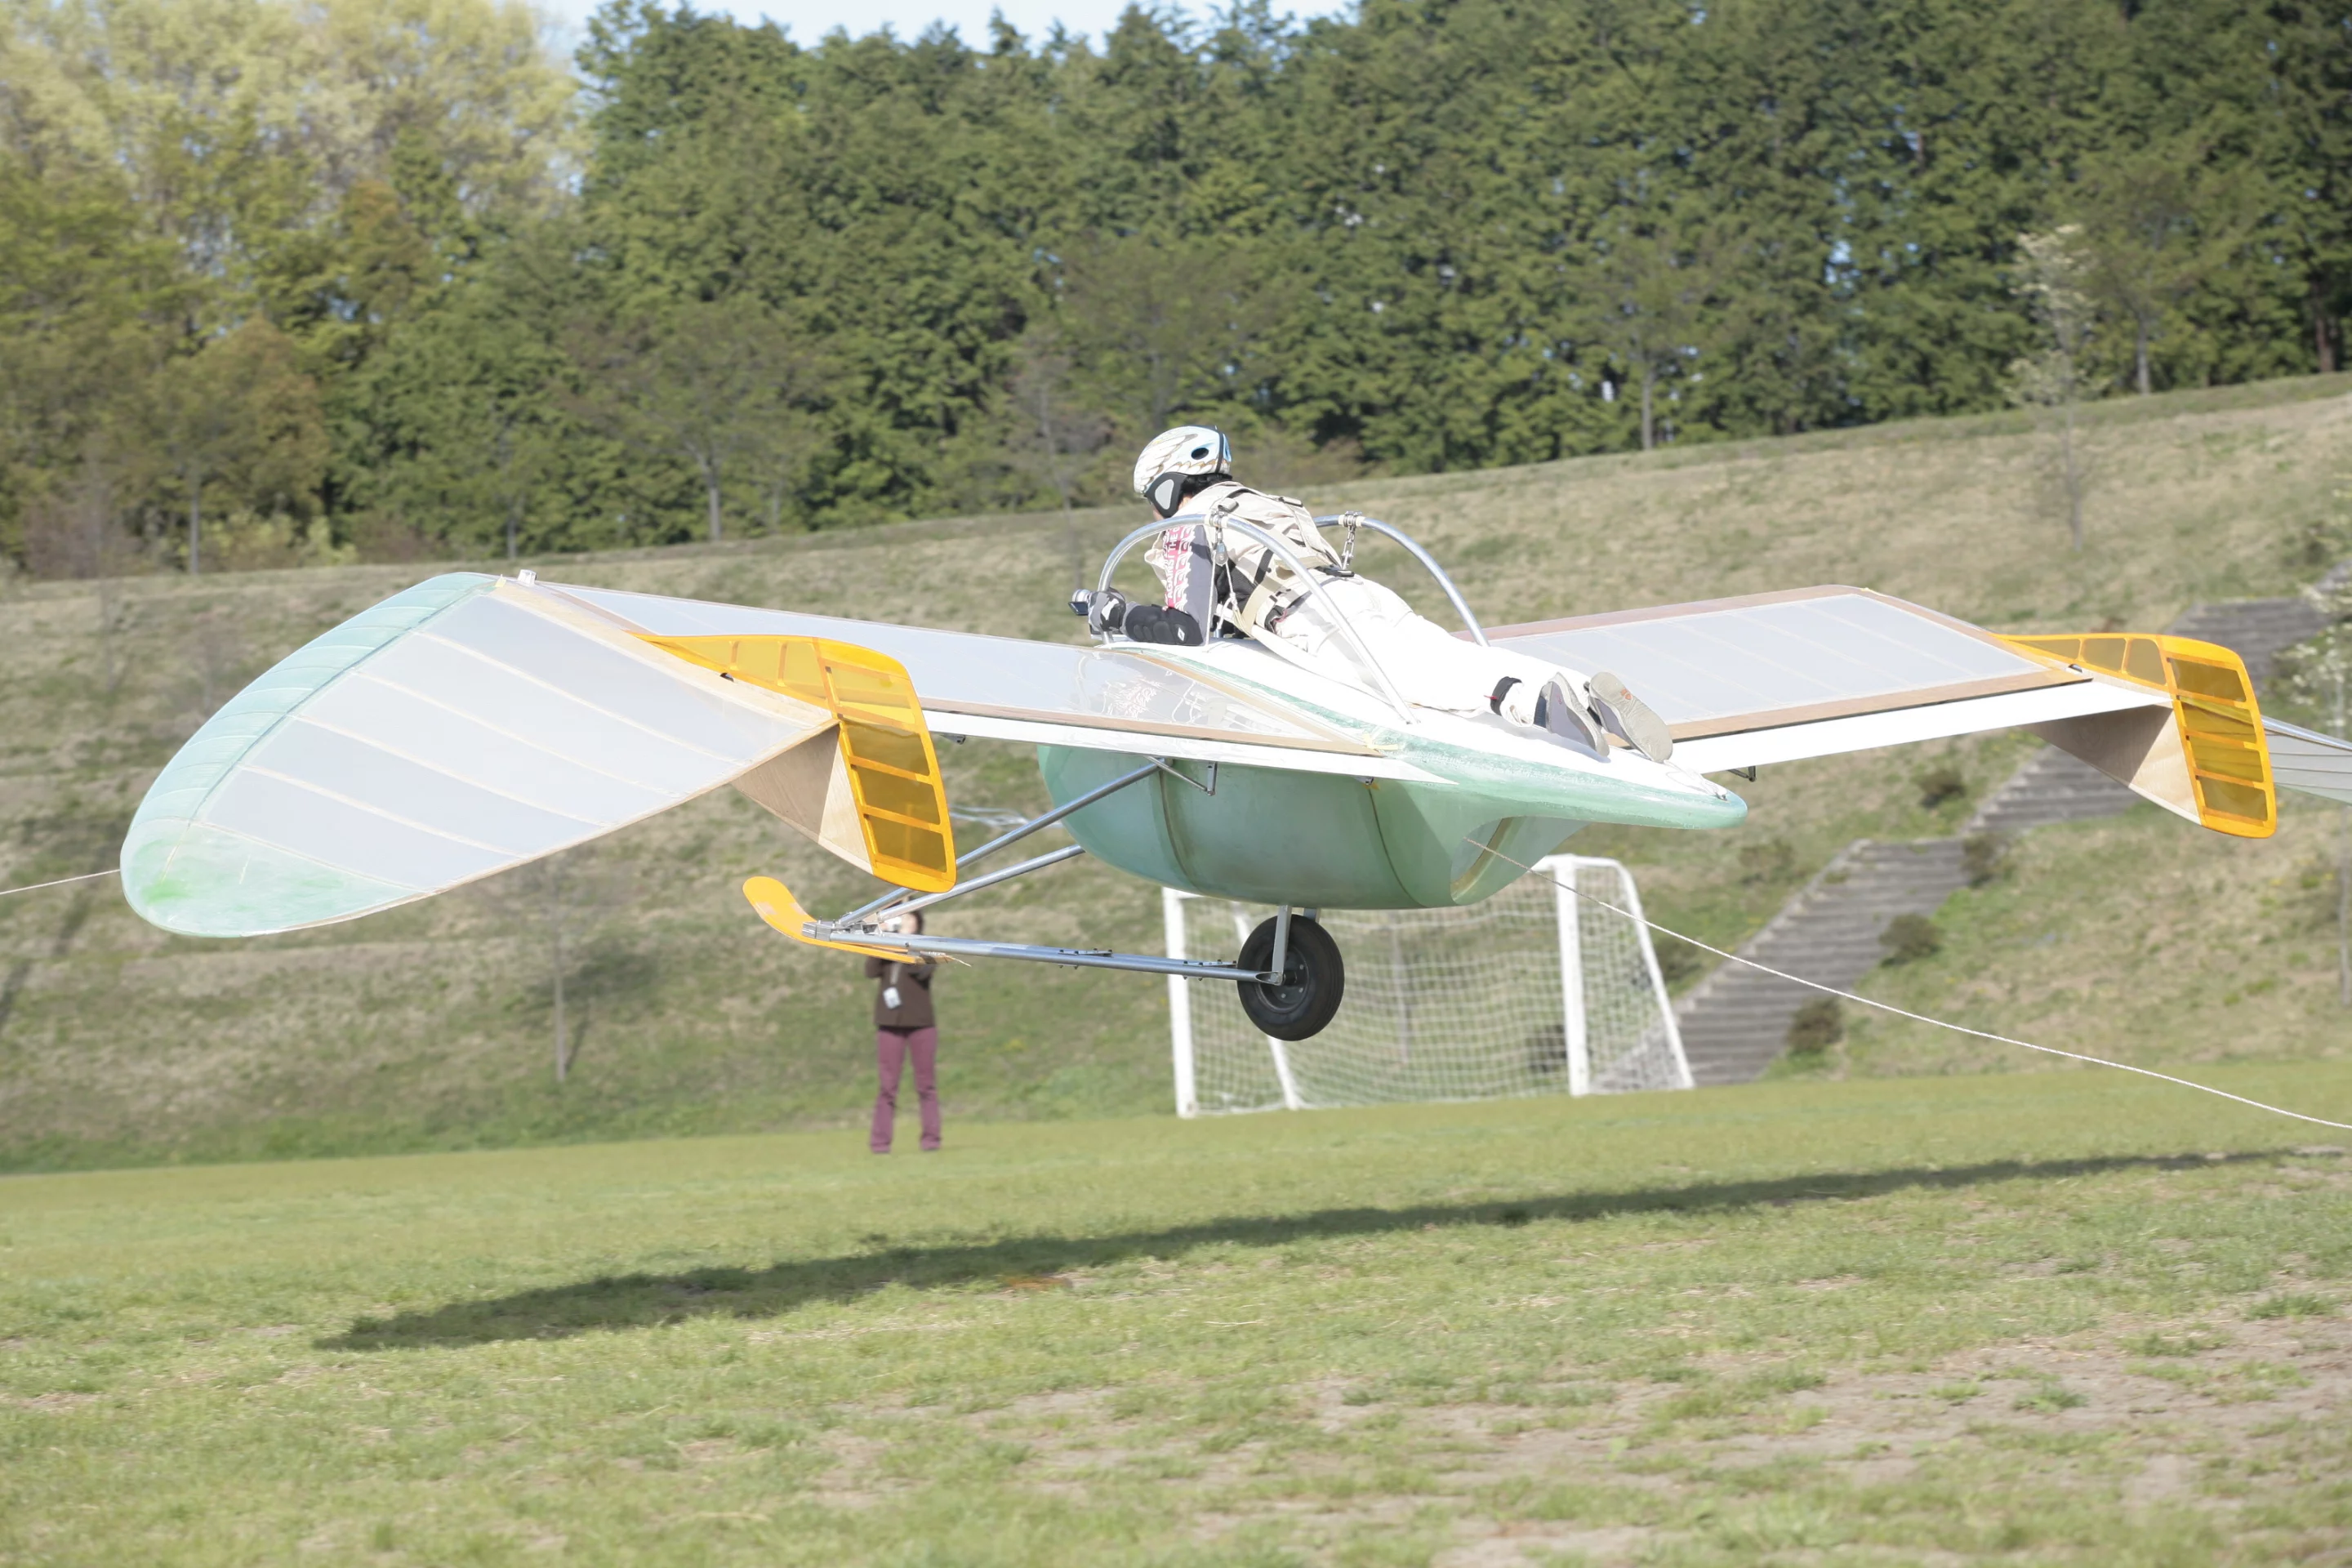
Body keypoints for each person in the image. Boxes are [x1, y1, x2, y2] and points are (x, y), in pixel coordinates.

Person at [1082, 425, 1674, 762]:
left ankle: (1532, 703)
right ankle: (1579, 691)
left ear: (1169, 486)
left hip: (1310, 620)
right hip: (1360, 594)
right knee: (1447, 653)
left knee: (1420, 685)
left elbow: (1188, 627)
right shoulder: (1258, 503)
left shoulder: (1192, 525)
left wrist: (1117, 613)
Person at [865, 909, 941, 1153]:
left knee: (926, 1085)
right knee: (887, 1087)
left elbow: (921, 972)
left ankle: (931, 1140)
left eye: (909, 919)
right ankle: (880, 1143)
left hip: (921, 1024)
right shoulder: (886, 947)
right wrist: (882, 939)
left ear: (918, 923)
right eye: (901, 919)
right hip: (889, 1023)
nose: (903, 923)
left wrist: (907, 943)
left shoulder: (927, 947)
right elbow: (870, 971)